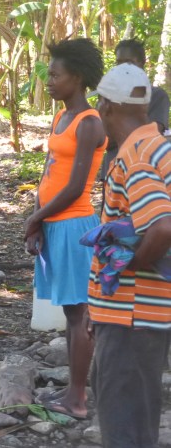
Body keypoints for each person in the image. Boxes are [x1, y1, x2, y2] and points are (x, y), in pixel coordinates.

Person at [88, 63, 171, 448]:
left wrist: (124, 267)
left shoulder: (134, 156)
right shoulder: (160, 146)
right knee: (138, 413)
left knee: (124, 421)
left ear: (105, 106)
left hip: (132, 313)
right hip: (145, 313)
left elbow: (162, 226)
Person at [23, 38, 107, 420]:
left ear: (77, 77)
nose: (50, 81)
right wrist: (36, 218)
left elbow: (76, 186)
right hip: (53, 224)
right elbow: (50, 171)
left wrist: (36, 218)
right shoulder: (61, 117)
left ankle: (77, 398)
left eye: (56, 75)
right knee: (72, 313)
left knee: (79, 316)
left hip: (75, 225)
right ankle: (74, 389)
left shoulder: (90, 123)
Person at [100, 39, 170, 175]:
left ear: (142, 63)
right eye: (119, 63)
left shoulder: (157, 96)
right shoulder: (110, 96)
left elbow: (151, 135)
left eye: (129, 62)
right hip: (111, 170)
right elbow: (105, 140)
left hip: (141, 171)